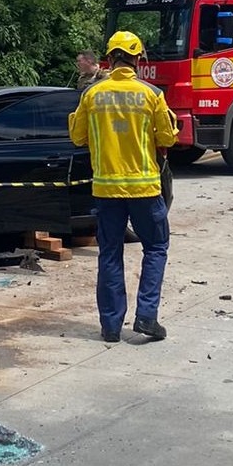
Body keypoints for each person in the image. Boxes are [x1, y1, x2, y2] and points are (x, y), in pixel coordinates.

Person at [69, 30, 178, 343]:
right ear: (138, 59)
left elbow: (77, 137)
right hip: (145, 190)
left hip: (106, 191)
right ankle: (146, 317)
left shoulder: (91, 95)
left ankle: (111, 326)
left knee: (110, 254)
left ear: (109, 59)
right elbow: (168, 139)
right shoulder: (151, 94)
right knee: (156, 247)